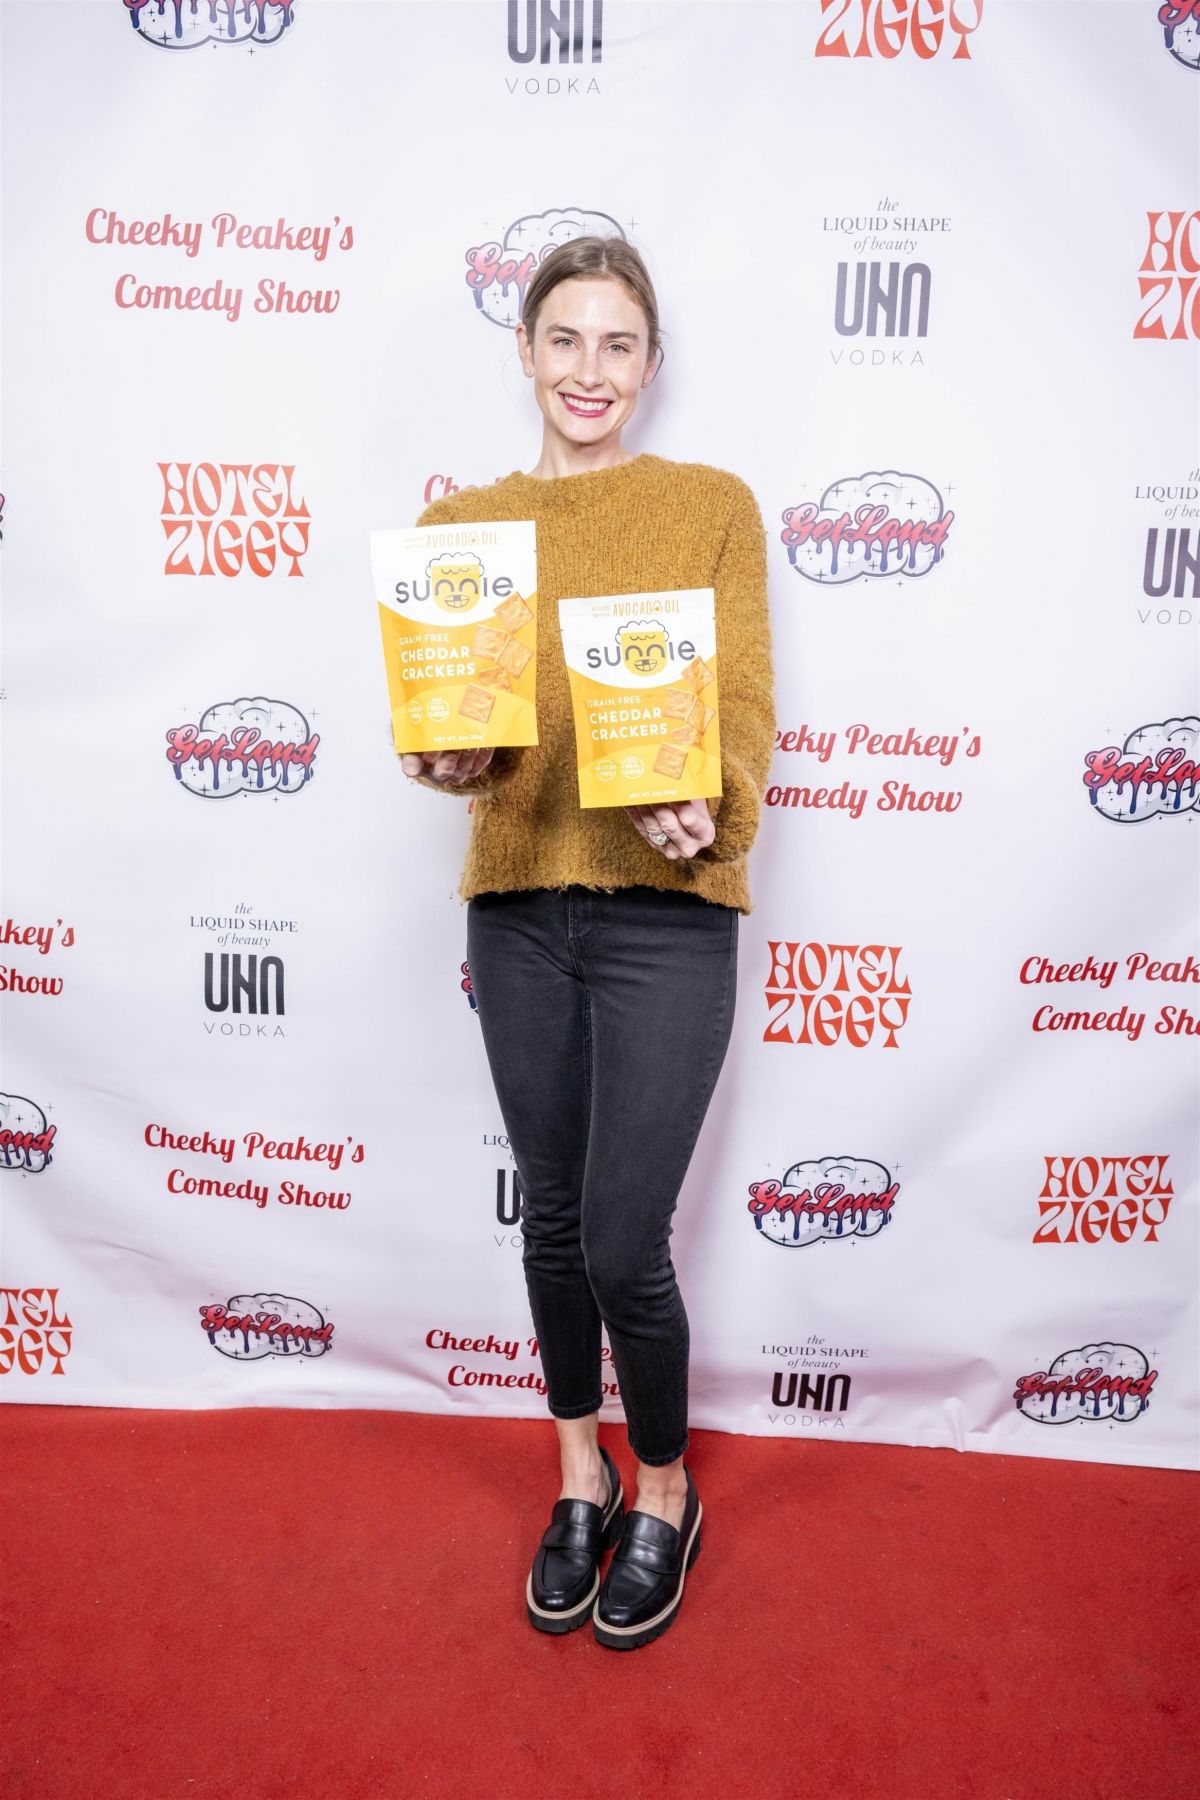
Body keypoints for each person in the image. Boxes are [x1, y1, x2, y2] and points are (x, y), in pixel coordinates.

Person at [404, 235, 775, 1650]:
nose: (590, 371)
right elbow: (454, 722)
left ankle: (668, 1490)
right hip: (518, 912)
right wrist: (439, 760)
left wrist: (715, 803)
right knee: (553, 1224)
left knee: (626, 1237)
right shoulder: (464, 533)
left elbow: (739, 701)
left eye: (619, 344)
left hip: (665, 918)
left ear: (652, 365)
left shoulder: (711, 508)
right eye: (566, 339)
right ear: (524, 350)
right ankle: (581, 1467)